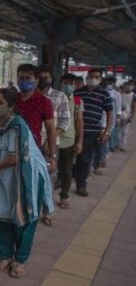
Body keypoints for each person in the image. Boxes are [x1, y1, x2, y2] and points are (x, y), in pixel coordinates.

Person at [0, 89, 54, 278]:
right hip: (3, 174)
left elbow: (16, 157)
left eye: (0, 103)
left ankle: (19, 259)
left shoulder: (17, 126)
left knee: (24, 218)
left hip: (27, 175)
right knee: (0, 213)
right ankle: (5, 255)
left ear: (11, 107)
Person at [73, 68, 114, 196]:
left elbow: (109, 113)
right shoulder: (78, 92)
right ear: (87, 77)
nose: (93, 78)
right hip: (74, 130)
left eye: (96, 76)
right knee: (69, 157)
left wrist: (107, 132)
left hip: (91, 131)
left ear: (100, 79)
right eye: (91, 76)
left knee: (85, 159)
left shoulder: (104, 94)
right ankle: (64, 178)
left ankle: (81, 185)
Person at [15, 64, 57, 172]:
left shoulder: (44, 102)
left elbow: (51, 130)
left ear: (36, 80)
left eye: (28, 78)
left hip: (33, 150)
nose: (24, 81)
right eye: (21, 78)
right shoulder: (11, 99)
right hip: (10, 149)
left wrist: (52, 156)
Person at [52, 74, 84, 213]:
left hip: (68, 140)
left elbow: (79, 121)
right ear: (60, 84)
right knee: (49, 168)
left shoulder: (77, 101)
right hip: (52, 139)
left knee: (67, 170)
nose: (68, 85)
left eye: (71, 83)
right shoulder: (53, 97)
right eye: (65, 82)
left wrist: (80, 141)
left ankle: (64, 196)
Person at [37, 66, 71, 149]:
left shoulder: (60, 96)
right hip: (31, 141)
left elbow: (65, 120)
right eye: (40, 77)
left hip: (51, 143)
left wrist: (50, 138)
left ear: (51, 79)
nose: (43, 80)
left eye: (46, 78)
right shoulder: (30, 95)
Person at [105, 77, 122, 152]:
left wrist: (118, 118)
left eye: (110, 83)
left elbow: (119, 107)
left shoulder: (117, 94)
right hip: (104, 116)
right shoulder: (103, 92)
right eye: (108, 83)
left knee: (112, 132)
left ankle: (112, 146)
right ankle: (107, 148)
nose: (109, 84)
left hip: (113, 116)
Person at [119, 81, 134, 151]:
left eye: (131, 85)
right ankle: (117, 144)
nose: (129, 87)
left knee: (125, 131)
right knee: (118, 130)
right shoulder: (121, 94)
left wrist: (131, 116)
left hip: (127, 115)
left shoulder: (133, 95)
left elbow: (133, 106)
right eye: (128, 85)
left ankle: (122, 145)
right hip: (120, 114)